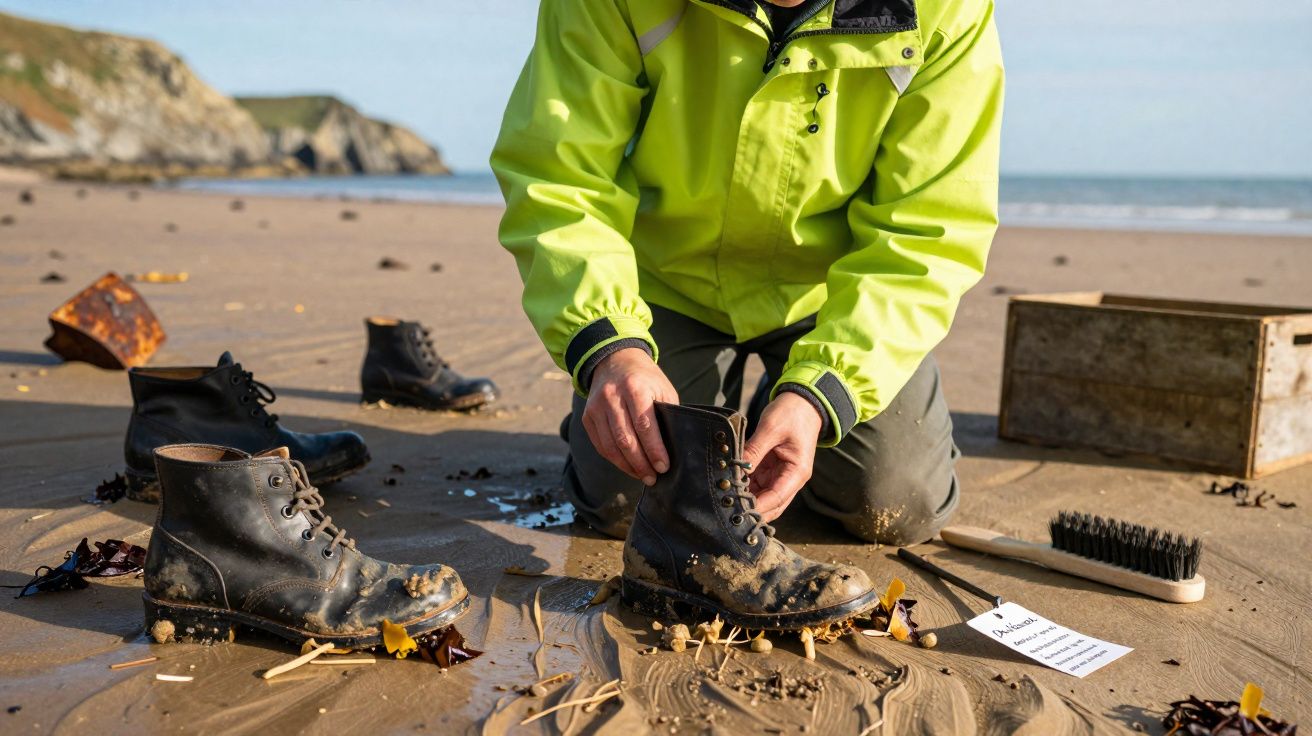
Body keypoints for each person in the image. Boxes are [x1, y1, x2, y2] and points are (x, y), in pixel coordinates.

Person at [492, 0, 1004, 546]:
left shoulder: (949, 9)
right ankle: (607, 409)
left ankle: (783, 402)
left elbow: (929, 230)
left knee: (898, 507)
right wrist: (610, 348)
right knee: (629, 505)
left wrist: (822, 392)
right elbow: (562, 177)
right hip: (661, 286)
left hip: (832, 301)